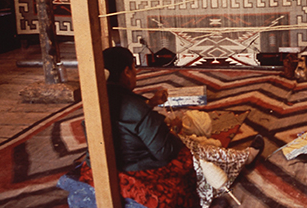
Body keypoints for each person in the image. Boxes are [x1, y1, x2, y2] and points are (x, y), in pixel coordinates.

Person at [78, 46, 262, 208]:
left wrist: (151, 104)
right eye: (134, 69)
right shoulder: (135, 107)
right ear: (126, 71)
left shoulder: (97, 97)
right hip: (135, 170)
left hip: (99, 166)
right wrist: (172, 132)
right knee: (192, 148)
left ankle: (237, 156)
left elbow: (124, 120)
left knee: (191, 142)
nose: (136, 73)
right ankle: (245, 158)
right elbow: (165, 152)